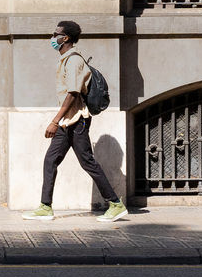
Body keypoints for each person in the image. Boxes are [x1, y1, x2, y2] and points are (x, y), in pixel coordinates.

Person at [23, 20, 127, 222]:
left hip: (76, 121)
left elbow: (72, 93)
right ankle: (45, 207)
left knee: (87, 162)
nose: (52, 38)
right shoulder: (65, 60)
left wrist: (55, 120)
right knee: (50, 160)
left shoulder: (74, 61)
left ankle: (115, 204)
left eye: (55, 34)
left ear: (66, 38)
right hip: (68, 122)